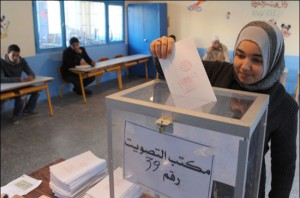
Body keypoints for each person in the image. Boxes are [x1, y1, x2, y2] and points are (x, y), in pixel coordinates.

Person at [150, 21, 298, 198]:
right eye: (240, 55)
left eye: (257, 60)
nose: (244, 66)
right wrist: (163, 50)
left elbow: (284, 165)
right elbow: (169, 69)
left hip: (245, 183)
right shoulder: (218, 72)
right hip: (201, 170)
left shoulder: (283, 105)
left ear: (272, 60)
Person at [0, 44, 40, 124]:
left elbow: (31, 72)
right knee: (21, 94)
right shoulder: (1, 62)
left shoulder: (22, 61)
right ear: (7, 54)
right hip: (6, 87)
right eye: (13, 55)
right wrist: (19, 79)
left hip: (19, 85)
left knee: (37, 90)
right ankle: (16, 116)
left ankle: (28, 110)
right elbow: (1, 79)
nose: (15, 57)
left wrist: (31, 76)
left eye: (17, 55)